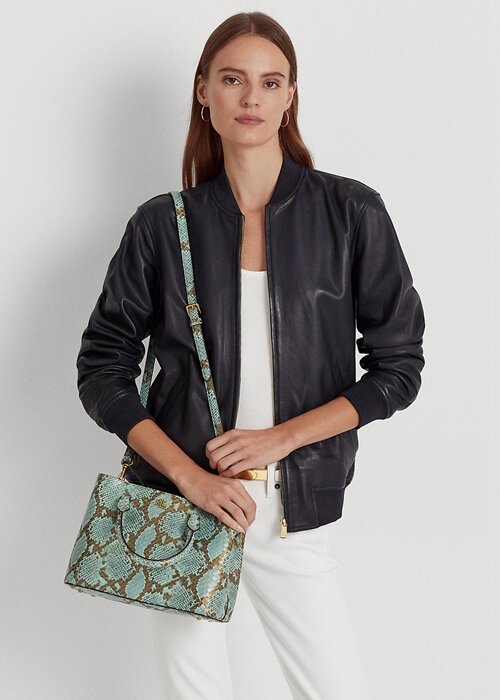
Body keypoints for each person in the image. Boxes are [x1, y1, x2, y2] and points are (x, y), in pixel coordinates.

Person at [76, 11, 425, 700]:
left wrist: (281, 438)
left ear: (290, 96)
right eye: (233, 80)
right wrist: (188, 476)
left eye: (270, 82)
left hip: (293, 506)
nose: (251, 98)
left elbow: (398, 368)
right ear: (203, 90)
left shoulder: (350, 213)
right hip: (184, 506)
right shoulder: (162, 224)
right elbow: (101, 371)